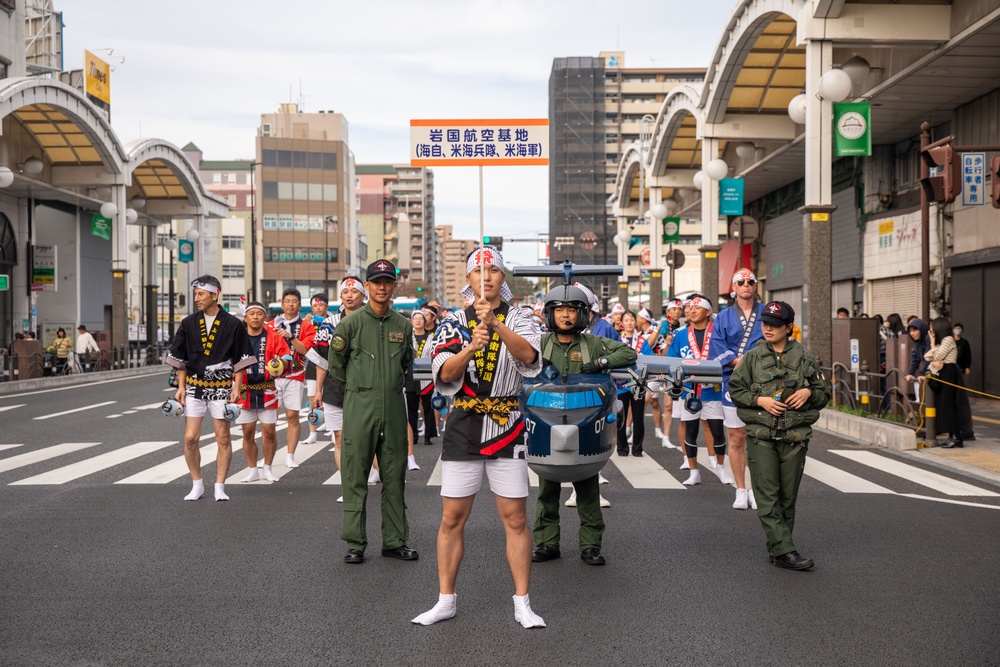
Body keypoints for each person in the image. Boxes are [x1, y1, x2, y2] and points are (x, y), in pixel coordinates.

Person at [412, 246, 544, 629]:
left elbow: (530, 358)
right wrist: (472, 345)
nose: (486, 278)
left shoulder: (521, 317)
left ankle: (522, 602)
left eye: (493, 272)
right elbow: (446, 373)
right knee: (452, 517)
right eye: (478, 272)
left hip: (508, 421)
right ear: (468, 279)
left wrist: (498, 325)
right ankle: (445, 600)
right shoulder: (453, 321)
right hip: (464, 422)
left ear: (503, 279)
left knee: (515, 518)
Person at [531, 284, 637, 567]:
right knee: (547, 488)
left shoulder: (592, 343)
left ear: (583, 315)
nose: (566, 316)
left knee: (588, 487)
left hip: (584, 425)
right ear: (549, 314)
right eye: (560, 310)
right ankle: (546, 543)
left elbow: (628, 355)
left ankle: (590, 545)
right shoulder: (539, 344)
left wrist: (601, 362)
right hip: (547, 421)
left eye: (572, 310)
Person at [729, 301, 830, 570]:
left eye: (774, 325)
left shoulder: (804, 357)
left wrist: (809, 392)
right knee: (767, 496)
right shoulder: (751, 357)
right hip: (761, 435)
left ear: (789, 328)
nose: (768, 328)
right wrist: (759, 400)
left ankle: (777, 548)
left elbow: (824, 394)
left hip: (795, 438)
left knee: (788, 498)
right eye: (765, 324)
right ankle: (786, 551)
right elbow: (736, 391)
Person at [328, 260, 416, 565]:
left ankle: (395, 541)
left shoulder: (403, 325)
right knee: (355, 475)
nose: (381, 287)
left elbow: (406, 363)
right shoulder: (349, 325)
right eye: (375, 281)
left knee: (395, 474)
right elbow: (336, 367)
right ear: (366, 286)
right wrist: (359, 387)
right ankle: (355, 542)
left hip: (392, 406)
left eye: (387, 282)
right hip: (359, 406)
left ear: (394, 286)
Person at [166, 275, 255, 501]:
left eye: (201, 294)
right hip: (195, 385)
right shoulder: (188, 323)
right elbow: (181, 358)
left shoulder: (233, 324)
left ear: (215, 294)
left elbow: (240, 358)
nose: (196, 298)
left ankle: (219, 486)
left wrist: (237, 387)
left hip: (222, 386)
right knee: (190, 437)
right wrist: (181, 386)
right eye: (195, 294)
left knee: (223, 437)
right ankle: (197, 484)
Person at [708, 268, 765, 510]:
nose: (746, 285)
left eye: (750, 281)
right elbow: (717, 347)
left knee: (760, 437)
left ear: (755, 286)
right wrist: (745, 362)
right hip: (734, 380)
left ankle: (757, 489)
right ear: (733, 288)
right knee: (736, 437)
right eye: (740, 282)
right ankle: (741, 489)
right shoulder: (722, 317)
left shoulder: (766, 313)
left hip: (764, 380)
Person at [309, 278, 368, 502]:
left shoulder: (373, 320)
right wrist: (318, 391)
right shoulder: (329, 323)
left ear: (364, 295)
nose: (350, 295)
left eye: (355, 291)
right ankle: (348, 487)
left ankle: (362, 480)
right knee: (340, 438)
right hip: (336, 388)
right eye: (346, 292)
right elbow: (322, 361)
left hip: (366, 388)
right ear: (341, 297)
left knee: (365, 439)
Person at [666, 296, 733, 487]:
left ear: (708, 312)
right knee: (691, 432)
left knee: (718, 432)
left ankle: (720, 467)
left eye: (697, 307)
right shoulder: (680, 335)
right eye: (689, 307)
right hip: (690, 391)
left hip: (714, 390)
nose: (691, 310)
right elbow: (672, 360)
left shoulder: (718, 333)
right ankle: (694, 471)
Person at [236, 301, 291, 483]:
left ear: (264, 317)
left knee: (269, 431)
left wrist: (280, 363)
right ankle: (252, 469)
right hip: (244, 392)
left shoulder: (273, 337)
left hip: (267, 389)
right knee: (248, 432)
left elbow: (286, 356)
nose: (255, 317)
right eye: (251, 314)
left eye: (259, 314)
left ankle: (267, 467)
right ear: (245, 317)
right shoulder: (238, 337)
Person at [267, 288, 316, 469]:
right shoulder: (270, 325)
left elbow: (305, 350)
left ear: (299, 306)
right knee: (269, 419)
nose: (290, 304)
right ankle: (268, 460)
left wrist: (291, 337)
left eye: (294, 301)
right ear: (282, 304)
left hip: (295, 375)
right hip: (272, 377)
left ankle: (290, 454)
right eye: (287, 301)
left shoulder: (306, 327)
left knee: (292, 416)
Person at [924, 318, 965, 448]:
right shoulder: (942, 341)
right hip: (944, 373)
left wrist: (932, 343)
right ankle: (952, 436)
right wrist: (933, 357)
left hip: (948, 372)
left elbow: (936, 356)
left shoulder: (948, 339)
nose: (931, 330)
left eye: (932, 327)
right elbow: (929, 357)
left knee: (949, 405)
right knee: (943, 404)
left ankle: (956, 437)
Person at [618, 310, 653, 457]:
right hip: (621, 385)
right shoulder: (618, 340)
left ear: (636, 322)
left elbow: (650, 358)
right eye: (626, 320)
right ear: (622, 324)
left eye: (632, 320)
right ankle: (622, 448)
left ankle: (637, 448)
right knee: (621, 417)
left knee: (638, 417)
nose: (629, 323)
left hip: (638, 384)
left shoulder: (642, 341)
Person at [406, 310, 439, 447]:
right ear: (412, 322)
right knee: (411, 407)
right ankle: (413, 435)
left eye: (421, 318)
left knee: (428, 407)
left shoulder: (431, 337)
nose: (418, 321)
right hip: (410, 372)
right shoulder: (408, 337)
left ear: (425, 322)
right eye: (416, 319)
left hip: (425, 368)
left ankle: (428, 435)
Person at [303, 293, 329, 445]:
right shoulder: (307, 322)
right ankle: (312, 433)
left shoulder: (334, 319)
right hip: (313, 361)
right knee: (312, 398)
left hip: (331, 362)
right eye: (315, 305)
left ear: (326, 306)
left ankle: (334, 433)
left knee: (332, 399)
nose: (318, 308)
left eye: (321, 305)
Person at [952, 322, 975, 441]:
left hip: (959, 368)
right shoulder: (950, 341)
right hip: (952, 369)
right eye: (956, 328)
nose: (957, 330)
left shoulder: (964, 342)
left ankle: (964, 432)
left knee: (960, 396)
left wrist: (967, 366)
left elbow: (967, 355)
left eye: (959, 328)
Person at [904, 318, 930, 400]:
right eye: (910, 331)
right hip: (928, 372)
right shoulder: (917, 343)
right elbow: (915, 358)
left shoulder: (928, 338)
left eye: (915, 330)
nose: (912, 333)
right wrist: (910, 373)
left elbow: (929, 358)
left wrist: (921, 373)